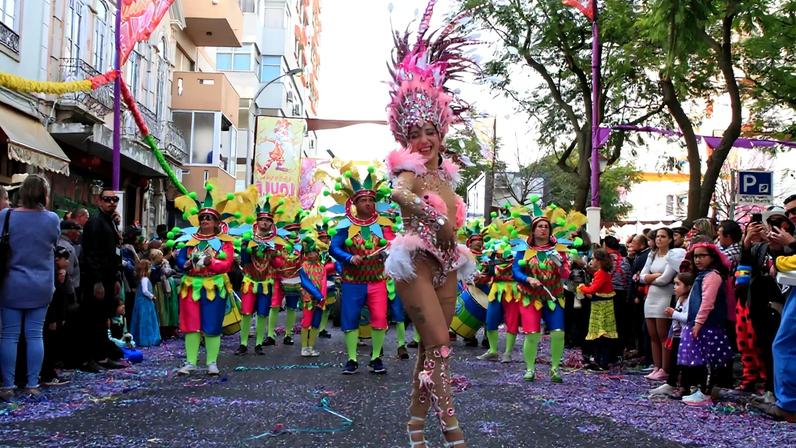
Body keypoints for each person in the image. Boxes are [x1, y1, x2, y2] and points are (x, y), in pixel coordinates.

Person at [382, 4, 478, 444]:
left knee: (432, 350)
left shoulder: (449, 176)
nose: (422, 139)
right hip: (415, 264)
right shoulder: (410, 170)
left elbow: (456, 223)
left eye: (428, 131)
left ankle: (415, 425)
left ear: (441, 131)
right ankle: (451, 427)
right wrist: (434, 214)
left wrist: (454, 232)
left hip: (446, 266)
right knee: (441, 345)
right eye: (413, 133)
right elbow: (397, 195)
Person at [171, 183, 245, 375]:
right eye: (202, 217)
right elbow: (180, 259)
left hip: (214, 285)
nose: (204, 220)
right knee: (190, 325)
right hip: (191, 285)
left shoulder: (224, 242)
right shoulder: (189, 240)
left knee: (212, 325)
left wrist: (209, 262)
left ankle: (212, 362)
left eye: (209, 218)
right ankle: (190, 362)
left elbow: (227, 264)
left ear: (216, 222)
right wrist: (185, 264)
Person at [328, 166, 396, 375]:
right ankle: (352, 359)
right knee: (350, 318)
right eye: (363, 200)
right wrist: (349, 257)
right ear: (355, 204)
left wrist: (388, 252)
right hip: (352, 281)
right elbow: (334, 248)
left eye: (371, 200)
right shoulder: (345, 226)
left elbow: (393, 244)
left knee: (379, 318)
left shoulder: (384, 224)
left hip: (377, 280)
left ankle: (376, 358)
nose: (368, 203)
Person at [0, 175, 60, 400]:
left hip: (11, 282)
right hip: (41, 283)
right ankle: (32, 383)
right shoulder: (52, 219)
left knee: (9, 335)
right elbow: (53, 244)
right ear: (44, 194)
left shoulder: (6, 216)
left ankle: (7, 385)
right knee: (35, 335)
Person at [512, 203, 573, 383]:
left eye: (546, 226)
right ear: (533, 229)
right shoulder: (523, 249)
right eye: (540, 226)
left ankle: (555, 369)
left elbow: (566, 274)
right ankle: (530, 369)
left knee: (558, 332)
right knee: (532, 334)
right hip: (530, 297)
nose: (543, 229)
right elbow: (515, 271)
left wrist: (562, 265)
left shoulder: (559, 250)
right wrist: (528, 279)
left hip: (554, 296)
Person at [677, 243, 734, 406]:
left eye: (702, 256)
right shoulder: (702, 274)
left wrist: (698, 322)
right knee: (698, 360)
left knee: (708, 360)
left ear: (712, 257)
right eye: (695, 256)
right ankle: (699, 390)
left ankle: (706, 392)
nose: (698, 260)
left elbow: (708, 302)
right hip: (700, 324)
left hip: (708, 325)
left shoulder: (713, 276)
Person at [79, 188, 125, 372]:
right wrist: (97, 281)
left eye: (114, 199)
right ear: (99, 201)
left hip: (107, 277)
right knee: (92, 320)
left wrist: (114, 278)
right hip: (95, 280)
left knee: (102, 319)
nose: (112, 202)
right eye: (107, 199)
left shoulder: (109, 222)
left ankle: (102, 356)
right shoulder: (95, 222)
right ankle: (87, 359)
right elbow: (92, 254)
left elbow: (114, 253)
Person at [236, 195, 283, 355]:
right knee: (247, 312)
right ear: (257, 222)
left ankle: (258, 344)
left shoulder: (275, 242)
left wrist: (274, 253)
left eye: (268, 221)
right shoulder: (248, 239)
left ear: (271, 224)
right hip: (250, 280)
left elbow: (278, 265)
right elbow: (243, 261)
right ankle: (243, 344)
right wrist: (246, 247)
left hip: (266, 283)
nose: (265, 223)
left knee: (263, 313)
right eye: (262, 220)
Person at [640, 228, 678, 381]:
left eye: (663, 237)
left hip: (665, 296)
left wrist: (650, 278)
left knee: (663, 335)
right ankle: (656, 366)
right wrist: (654, 276)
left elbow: (665, 279)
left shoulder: (672, 256)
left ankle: (665, 368)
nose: (659, 239)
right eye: (657, 237)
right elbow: (641, 276)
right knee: (653, 335)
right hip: (651, 297)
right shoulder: (652, 254)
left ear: (670, 239)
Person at [476, 220, 516, 363]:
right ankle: (493, 350)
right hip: (495, 290)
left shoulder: (518, 253)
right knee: (490, 321)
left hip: (513, 291)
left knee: (511, 322)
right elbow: (487, 275)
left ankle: (508, 353)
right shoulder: (491, 255)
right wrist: (478, 278)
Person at [650, 272, 694, 398]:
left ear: (688, 287)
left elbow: (688, 318)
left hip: (686, 336)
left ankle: (684, 387)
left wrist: (673, 314)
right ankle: (671, 383)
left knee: (684, 363)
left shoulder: (690, 301)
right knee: (674, 361)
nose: (674, 287)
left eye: (678, 284)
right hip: (677, 335)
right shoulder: (679, 299)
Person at [578, 249, 618, 370]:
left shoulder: (601, 273)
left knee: (601, 333)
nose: (592, 261)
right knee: (602, 333)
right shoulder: (602, 273)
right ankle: (600, 360)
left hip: (601, 307)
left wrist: (582, 287)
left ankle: (601, 361)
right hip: (602, 304)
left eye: (594, 259)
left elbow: (592, 290)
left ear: (599, 261)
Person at [40, 247, 73, 386]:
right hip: (51, 314)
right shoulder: (52, 272)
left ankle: (49, 371)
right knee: (48, 344)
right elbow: (53, 297)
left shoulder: (58, 272)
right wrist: (53, 318)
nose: (68, 262)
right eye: (66, 259)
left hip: (55, 314)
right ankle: (47, 374)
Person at [297, 237, 331, 357]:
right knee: (306, 322)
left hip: (319, 300)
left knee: (316, 323)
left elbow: (324, 282)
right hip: (308, 299)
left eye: (314, 252)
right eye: (309, 253)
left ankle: (311, 347)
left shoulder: (321, 267)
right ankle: (304, 347)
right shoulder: (303, 266)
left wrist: (322, 297)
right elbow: (305, 283)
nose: (312, 255)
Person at [129, 259, 161, 347]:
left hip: (140, 302)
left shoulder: (141, 279)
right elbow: (145, 291)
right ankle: (147, 339)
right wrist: (152, 296)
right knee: (146, 320)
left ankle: (140, 338)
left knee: (140, 319)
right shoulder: (145, 279)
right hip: (145, 303)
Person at [149, 249, 179, 339]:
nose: (162, 258)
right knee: (161, 308)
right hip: (157, 288)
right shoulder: (151, 266)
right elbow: (156, 276)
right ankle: (162, 329)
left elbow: (168, 271)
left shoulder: (164, 263)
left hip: (163, 287)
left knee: (166, 307)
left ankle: (168, 328)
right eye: (160, 256)